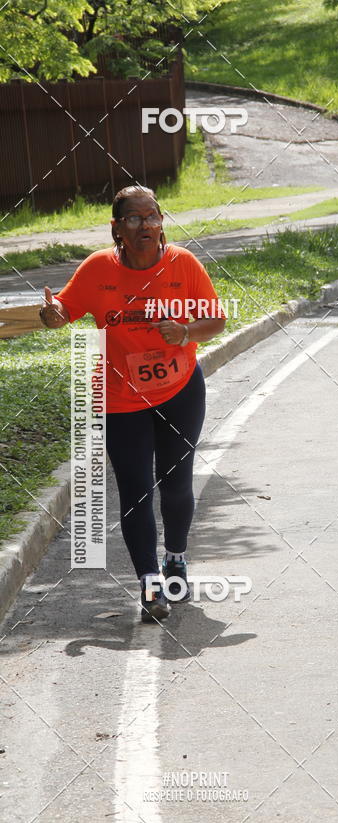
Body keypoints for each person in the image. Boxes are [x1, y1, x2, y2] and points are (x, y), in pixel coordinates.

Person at [40, 185, 226, 623]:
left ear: (162, 222)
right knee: (136, 493)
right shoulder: (98, 270)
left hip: (180, 390)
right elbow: (64, 309)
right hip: (121, 399)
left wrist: (184, 333)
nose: (146, 226)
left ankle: (175, 556)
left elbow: (215, 319)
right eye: (135, 219)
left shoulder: (184, 265)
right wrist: (51, 314)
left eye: (153, 217)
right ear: (117, 228)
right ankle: (150, 584)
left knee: (176, 484)